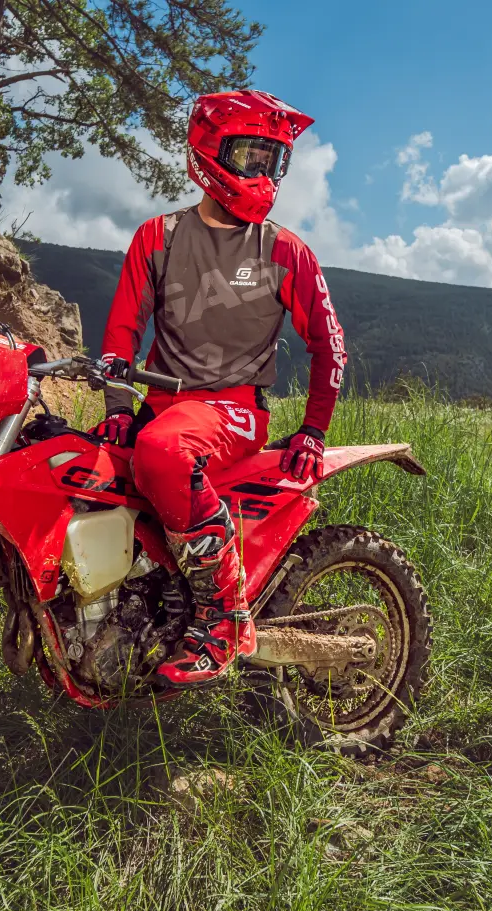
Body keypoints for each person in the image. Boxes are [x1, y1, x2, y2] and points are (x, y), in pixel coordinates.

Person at [92, 89, 348, 690]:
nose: (262, 171)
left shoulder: (284, 250)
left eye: (272, 159)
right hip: (161, 406)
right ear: (211, 151)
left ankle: (224, 616)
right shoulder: (158, 237)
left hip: (233, 410)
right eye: (251, 155)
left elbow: (330, 345)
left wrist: (313, 429)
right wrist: (117, 408)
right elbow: (122, 331)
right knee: (75, 470)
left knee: (161, 451)